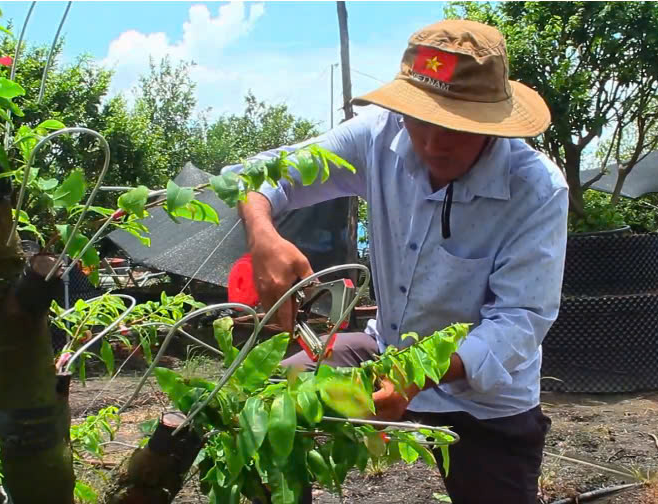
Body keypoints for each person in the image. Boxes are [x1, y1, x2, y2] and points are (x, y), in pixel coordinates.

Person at [226, 19, 569, 504]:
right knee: (267, 405)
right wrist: (263, 235)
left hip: (484, 398)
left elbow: (519, 321)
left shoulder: (535, 189)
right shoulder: (377, 136)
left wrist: (414, 377)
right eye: (420, 119)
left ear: (491, 122)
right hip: (383, 354)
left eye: (453, 126)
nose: (431, 142)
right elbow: (263, 176)